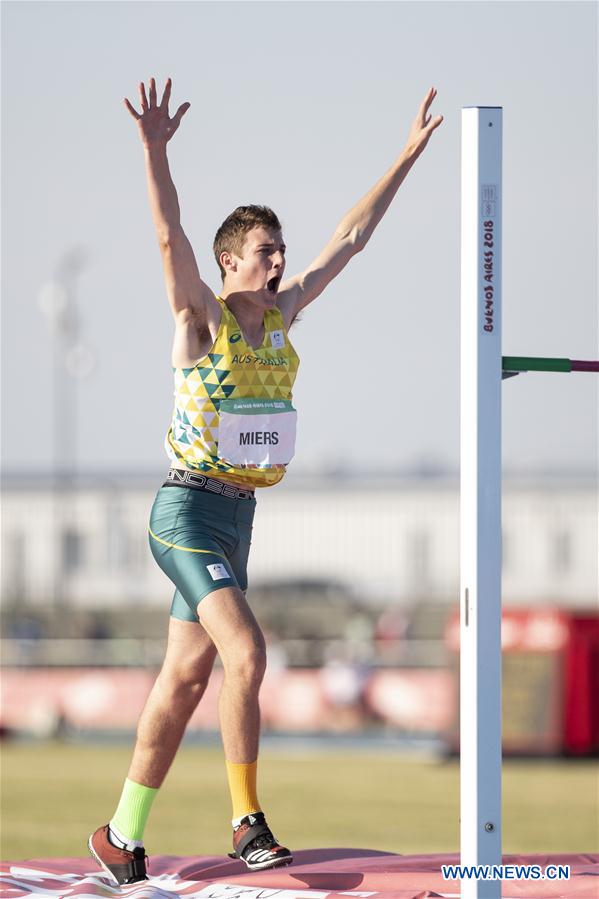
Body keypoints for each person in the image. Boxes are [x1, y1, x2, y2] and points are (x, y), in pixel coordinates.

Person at [88, 77, 442, 886]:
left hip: (239, 517)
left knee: (183, 680)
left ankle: (118, 833)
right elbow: (166, 237)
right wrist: (153, 151)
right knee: (246, 650)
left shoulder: (283, 318)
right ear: (228, 264)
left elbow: (349, 239)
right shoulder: (199, 319)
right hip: (183, 511)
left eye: (282, 250)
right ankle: (247, 820)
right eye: (265, 252)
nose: (281, 262)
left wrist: (405, 156)